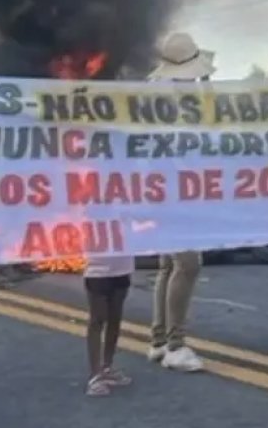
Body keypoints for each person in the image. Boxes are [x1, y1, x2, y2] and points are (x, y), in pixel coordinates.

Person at [145, 31, 214, 372]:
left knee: (169, 265)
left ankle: (160, 340)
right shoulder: (173, 101)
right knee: (188, 264)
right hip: (173, 190)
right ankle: (175, 344)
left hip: (164, 189)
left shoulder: (160, 95)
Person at [83, 255, 135, 397]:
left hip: (122, 269)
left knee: (115, 319)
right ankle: (95, 375)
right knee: (97, 319)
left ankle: (107, 367)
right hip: (97, 270)